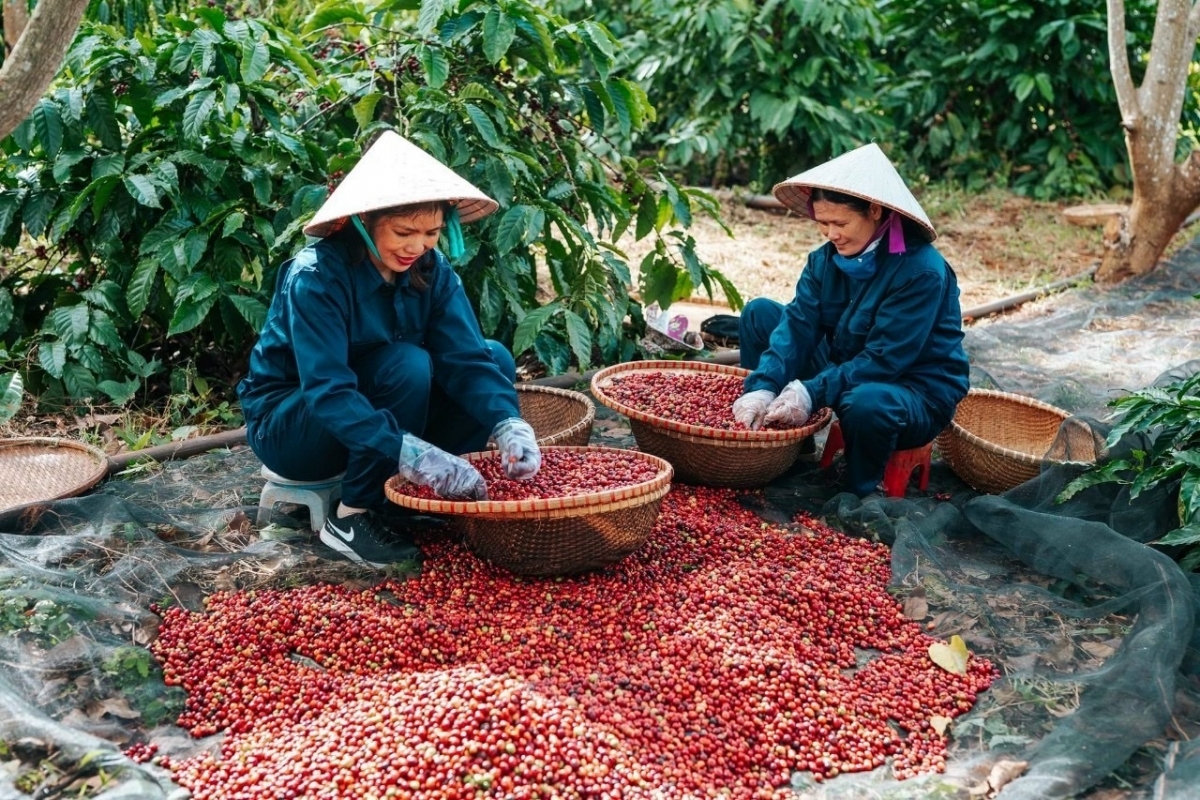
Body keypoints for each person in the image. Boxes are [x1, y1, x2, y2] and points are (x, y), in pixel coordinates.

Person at [238, 130, 542, 568]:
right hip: (294, 427)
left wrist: (508, 423)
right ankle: (353, 516)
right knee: (406, 364)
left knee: (494, 358)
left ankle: (406, 497)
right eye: (404, 232)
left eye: (432, 232)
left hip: (375, 414)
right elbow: (328, 390)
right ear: (365, 221)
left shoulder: (430, 271)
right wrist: (408, 451)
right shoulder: (316, 277)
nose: (417, 247)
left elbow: (468, 359)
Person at [732, 143, 969, 498]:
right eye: (823, 224)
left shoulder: (921, 272)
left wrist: (811, 390)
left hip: (911, 390)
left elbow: (885, 361)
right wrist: (763, 386)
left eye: (840, 223)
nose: (831, 234)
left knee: (866, 402)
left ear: (875, 210)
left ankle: (858, 489)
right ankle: (788, 445)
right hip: (848, 364)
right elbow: (798, 326)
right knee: (760, 314)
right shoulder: (823, 261)